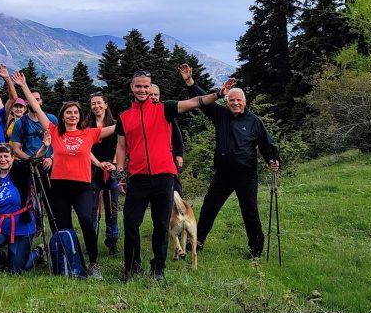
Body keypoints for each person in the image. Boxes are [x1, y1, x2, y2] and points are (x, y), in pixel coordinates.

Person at [101, 70, 233, 281]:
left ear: (151, 87)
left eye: (146, 86)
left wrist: (217, 94)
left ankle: (158, 268)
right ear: (132, 88)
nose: (142, 90)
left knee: (161, 225)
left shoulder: (165, 109)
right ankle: (132, 267)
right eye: (138, 86)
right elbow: (121, 147)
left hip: (164, 176)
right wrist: (120, 173)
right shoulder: (125, 117)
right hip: (138, 177)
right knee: (130, 222)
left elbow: (194, 102)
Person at [13, 72, 115, 279]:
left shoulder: (89, 133)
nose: (72, 115)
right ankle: (71, 262)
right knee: (63, 226)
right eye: (68, 112)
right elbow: (38, 109)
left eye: (76, 112)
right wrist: (23, 86)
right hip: (59, 187)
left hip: (82, 187)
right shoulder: (55, 130)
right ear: (63, 116)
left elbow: (119, 127)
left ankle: (94, 263)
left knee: (87, 220)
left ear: (80, 115)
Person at [180, 64, 280, 260]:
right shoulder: (220, 115)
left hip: (246, 175)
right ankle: (197, 242)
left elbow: (266, 144)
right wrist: (190, 83)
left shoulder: (254, 121)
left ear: (245, 101)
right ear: (227, 101)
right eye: (231, 100)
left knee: (250, 212)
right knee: (209, 207)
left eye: (238, 100)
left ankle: (256, 250)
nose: (235, 103)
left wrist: (272, 160)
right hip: (223, 175)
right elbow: (203, 101)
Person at [0, 144, 45, 273]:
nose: (3, 159)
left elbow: (35, 159)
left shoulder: (22, 171)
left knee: (15, 270)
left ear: (13, 158)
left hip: (21, 227)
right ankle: (1, 257)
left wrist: (45, 147)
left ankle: (38, 252)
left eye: (6, 156)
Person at [86, 92, 120, 255]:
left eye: (99, 103)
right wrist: (98, 164)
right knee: (92, 208)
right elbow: (85, 149)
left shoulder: (115, 124)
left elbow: (120, 147)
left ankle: (113, 240)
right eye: (93, 104)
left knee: (111, 207)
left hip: (110, 171)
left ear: (106, 104)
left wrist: (113, 164)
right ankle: (91, 242)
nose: (96, 106)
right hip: (93, 169)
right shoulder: (87, 125)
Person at [150, 84, 185, 173]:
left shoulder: (165, 111)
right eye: (151, 95)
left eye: (156, 95)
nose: (153, 97)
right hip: (149, 159)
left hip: (168, 156)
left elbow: (176, 134)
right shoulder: (138, 114)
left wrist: (179, 154)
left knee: (175, 184)